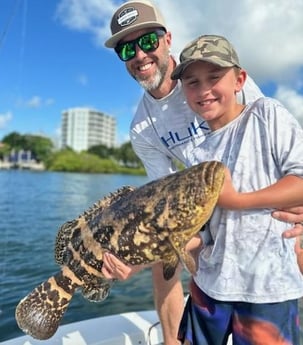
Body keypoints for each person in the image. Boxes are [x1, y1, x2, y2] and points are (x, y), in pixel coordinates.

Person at [103, 1, 303, 344]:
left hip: (268, 229)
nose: (139, 54)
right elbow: (160, 208)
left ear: (167, 39)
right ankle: (171, 339)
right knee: (164, 257)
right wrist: (135, 256)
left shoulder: (228, 82)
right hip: (208, 222)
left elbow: (266, 141)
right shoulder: (144, 130)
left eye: (148, 41)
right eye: (127, 48)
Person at [170, 33, 303, 344]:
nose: (204, 90)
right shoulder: (195, 153)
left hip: (268, 288)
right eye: (192, 82)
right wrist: (159, 246)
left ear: (239, 80)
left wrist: (237, 201)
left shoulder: (266, 114)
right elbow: (204, 230)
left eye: (214, 77)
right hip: (208, 285)